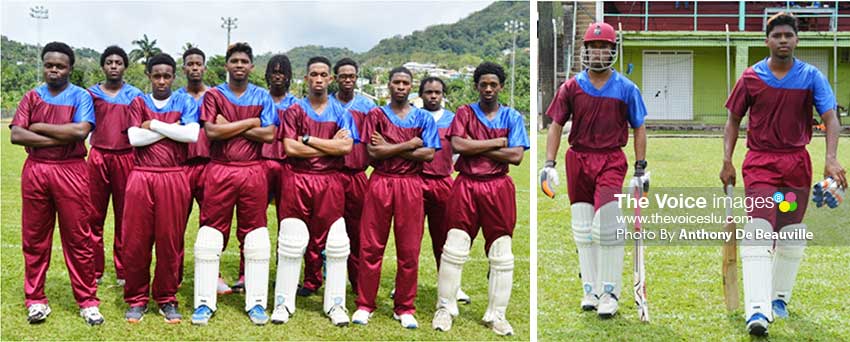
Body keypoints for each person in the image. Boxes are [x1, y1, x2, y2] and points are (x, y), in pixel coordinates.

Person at [719, 12, 845, 336]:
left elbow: (831, 118)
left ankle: (778, 299)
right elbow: (733, 120)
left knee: (790, 235)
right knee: (760, 228)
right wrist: (727, 160)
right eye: (777, 36)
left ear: (796, 40)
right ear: (767, 41)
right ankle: (757, 309)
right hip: (761, 164)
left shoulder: (811, 76)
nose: (784, 40)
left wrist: (831, 158)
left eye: (789, 35)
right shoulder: (750, 77)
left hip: (795, 167)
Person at [539, 21, 648, 320]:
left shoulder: (626, 88)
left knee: (607, 225)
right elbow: (556, 125)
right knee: (583, 229)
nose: (599, 52)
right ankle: (591, 289)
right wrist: (549, 163)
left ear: (612, 51)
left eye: (604, 47)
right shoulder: (571, 87)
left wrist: (640, 167)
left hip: (611, 159)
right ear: (586, 51)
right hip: (578, 160)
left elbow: (639, 127)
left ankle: (610, 291)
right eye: (594, 47)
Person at [431, 62, 529, 336]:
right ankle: (445, 307)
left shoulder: (512, 116)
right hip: (466, 185)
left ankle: (497, 314)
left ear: (500, 86)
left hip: (498, 187)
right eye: (483, 84)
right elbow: (459, 145)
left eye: (493, 84)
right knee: (454, 248)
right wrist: (498, 142)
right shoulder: (464, 112)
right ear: (476, 86)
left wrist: (478, 147)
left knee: (502, 253)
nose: (488, 89)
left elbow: (517, 156)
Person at [10, 41, 104, 325]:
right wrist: (58, 136)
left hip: (71, 170)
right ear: (44, 66)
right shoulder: (31, 97)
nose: (54, 70)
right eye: (49, 65)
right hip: (37, 170)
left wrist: (36, 127)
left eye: (60, 66)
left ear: (70, 68)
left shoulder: (81, 96)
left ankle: (88, 301)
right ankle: (36, 299)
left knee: (78, 237)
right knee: (35, 238)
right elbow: (16, 135)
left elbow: (80, 131)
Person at [191, 42, 276, 326]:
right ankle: (204, 301)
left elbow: (269, 135)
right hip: (220, 170)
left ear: (252, 66)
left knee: (255, 236)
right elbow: (213, 132)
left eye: (244, 61)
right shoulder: (214, 95)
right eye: (234, 61)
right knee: (211, 234)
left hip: (253, 171)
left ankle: (256, 302)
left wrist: (234, 124)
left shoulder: (262, 95)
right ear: (227, 65)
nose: (239, 65)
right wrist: (251, 122)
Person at [351, 67, 439, 329]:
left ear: (411, 87)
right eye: (396, 82)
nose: (401, 87)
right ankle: (365, 304)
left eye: (405, 83)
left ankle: (405, 307)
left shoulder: (424, 118)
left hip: (411, 185)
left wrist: (390, 147)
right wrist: (410, 144)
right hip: (380, 182)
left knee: (409, 249)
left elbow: (429, 155)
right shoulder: (376, 114)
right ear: (388, 85)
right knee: (371, 246)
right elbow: (373, 154)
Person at [272, 56, 358, 327]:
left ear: (330, 79)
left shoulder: (342, 112)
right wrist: (328, 145)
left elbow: (346, 148)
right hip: (297, 179)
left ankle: (335, 304)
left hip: (330, 181)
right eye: (313, 74)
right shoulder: (295, 110)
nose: (318, 79)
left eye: (323, 74)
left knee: (336, 244)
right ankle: (283, 303)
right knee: (291, 241)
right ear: (306, 78)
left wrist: (308, 139)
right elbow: (290, 148)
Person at [122, 53, 199, 324]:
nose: (162, 80)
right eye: (157, 75)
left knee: (170, 240)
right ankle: (137, 298)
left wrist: (153, 124)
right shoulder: (138, 101)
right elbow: (134, 138)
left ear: (174, 76)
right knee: (136, 240)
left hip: (174, 176)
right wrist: (171, 128)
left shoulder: (186, 100)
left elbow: (191, 134)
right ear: (149, 76)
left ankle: (167, 297)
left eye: (167, 75)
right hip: (141, 177)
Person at [87, 45, 144, 286]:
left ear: (125, 67)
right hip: (98, 157)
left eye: (118, 62)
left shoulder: (135, 95)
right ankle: (94, 269)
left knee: (125, 217)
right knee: (93, 215)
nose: (113, 66)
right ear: (103, 66)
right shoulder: (90, 94)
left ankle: (123, 270)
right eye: (109, 62)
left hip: (126, 158)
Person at [417, 76, 470, 304]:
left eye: (437, 92)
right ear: (421, 95)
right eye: (429, 92)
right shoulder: (413, 117)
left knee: (446, 239)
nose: (433, 96)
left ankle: (451, 286)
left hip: (443, 183)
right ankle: (406, 283)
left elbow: (459, 150)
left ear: (443, 94)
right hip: (416, 182)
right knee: (411, 238)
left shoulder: (453, 119)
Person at [174, 47, 216, 291]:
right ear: (184, 68)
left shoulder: (216, 96)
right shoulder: (176, 97)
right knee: (176, 223)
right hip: (181, 167)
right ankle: (174, 273)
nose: (194, 68)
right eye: (190, 64)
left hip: (210, 165)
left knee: (211, 224)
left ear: (204, 67)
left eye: (198, 64)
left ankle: (211, 274)